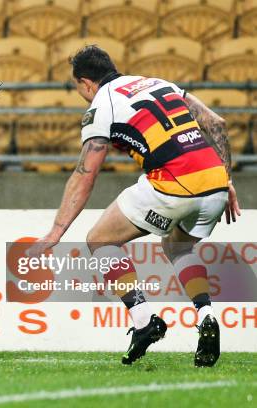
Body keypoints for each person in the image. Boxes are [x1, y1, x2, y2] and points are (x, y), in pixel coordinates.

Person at [32, 45, 241, 366]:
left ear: (86, 83)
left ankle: (144, 321)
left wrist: (56, 232)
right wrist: (226, 179)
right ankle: (207, 315)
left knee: (99, 240)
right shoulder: (159, 83)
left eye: (79, 89)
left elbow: (85, 173)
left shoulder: (103, 102)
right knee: (178, 248)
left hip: (174, 181)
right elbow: (216, 123)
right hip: (214, 181)